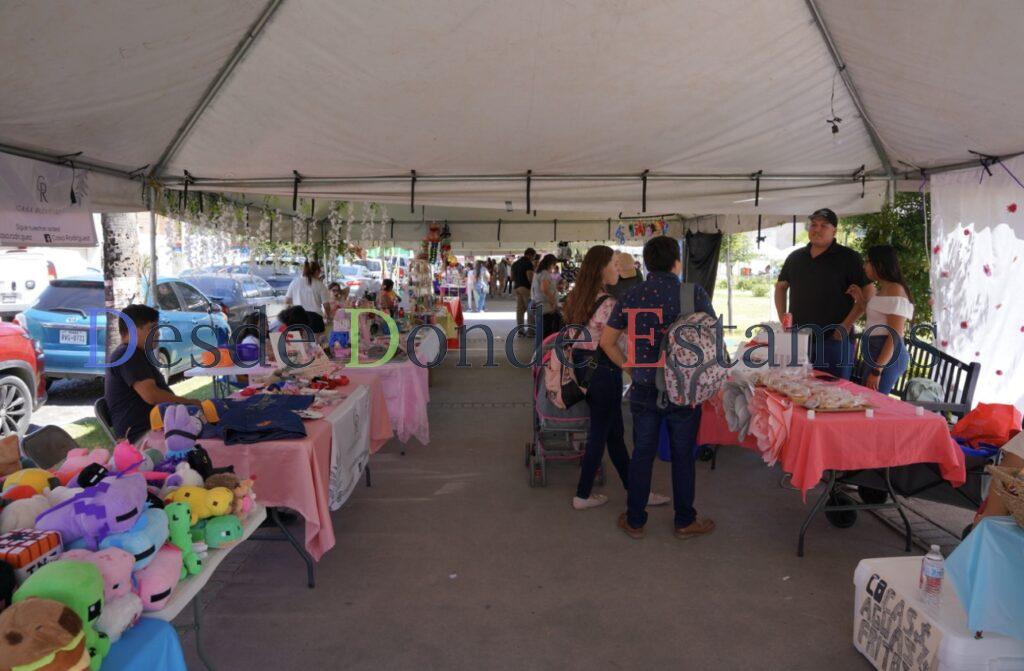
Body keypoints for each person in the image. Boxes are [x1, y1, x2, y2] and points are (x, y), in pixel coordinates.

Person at [600, 236, 717, 541]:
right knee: (682, 455)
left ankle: (636, 520)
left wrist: (630, 367)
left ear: (646, 264)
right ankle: (684, 521)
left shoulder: (632, 295)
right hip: (686, 389)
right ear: (677, 262)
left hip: (644, 387)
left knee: (642, 453)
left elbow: (607, 342)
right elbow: (711, 340)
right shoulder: (695, 293)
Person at [563, 245, 669, 511]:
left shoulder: (577, 297)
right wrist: (636, 367)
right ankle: (583, 494)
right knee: (601, 434)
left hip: (584, 370)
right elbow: (619, 341)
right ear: (600, 269)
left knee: (614, 435)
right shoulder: (608, 303)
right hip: (604, 371)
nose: (618, 268)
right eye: (613, 263)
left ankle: (636, 491)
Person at [774, 208, 873, 379]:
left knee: (834, 395)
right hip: (798, 339)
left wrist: (846, 325)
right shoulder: (795, 257)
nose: (817, 229)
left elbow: (869, 292)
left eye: (823, 225)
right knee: (795, 388)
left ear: (834, 230)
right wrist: (784, 319)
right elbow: (780, 287)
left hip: (834, 340)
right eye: (813, 225)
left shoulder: (849, 258)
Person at [104, 304, 203, 444]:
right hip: (143, 436)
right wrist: (188, 402)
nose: (158, 333)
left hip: (157, 427)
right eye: (152, 328)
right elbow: (152, 396)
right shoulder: (128, 354)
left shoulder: (135, 353)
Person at [848, 245, 914, 394]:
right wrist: (860, 298)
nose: (864, 266)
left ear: (880, 264)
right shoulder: (885, 288)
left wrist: (877, 370)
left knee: (873, 402)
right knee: (867, 400)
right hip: (876, 352)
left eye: (867, 262)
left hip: (886, 354)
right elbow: (878, 318)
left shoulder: (895, 290)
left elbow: (895, 334)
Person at [284, 260, 330, 337]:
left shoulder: (294, 282)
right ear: (316, 271)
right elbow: (326, 306)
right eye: (319, 272)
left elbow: (287, 301)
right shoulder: (320, 285)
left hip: (298, 319)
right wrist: (327, 316)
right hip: (315, 320)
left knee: (300, 347)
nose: (319, 275)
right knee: (316, 347)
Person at [531, 254, 562, 336]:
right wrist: (553, 302)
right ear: (551, 264)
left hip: (540, 305)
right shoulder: (545, 273)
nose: (554, 267)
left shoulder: (538, 272)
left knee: (541, 332)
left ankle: (540, 348)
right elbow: (544, 288)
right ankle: (544, 348)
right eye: (554, 264)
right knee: (546, 332)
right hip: (546, 307)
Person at [511, 248, 537, 330]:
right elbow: (530, 277)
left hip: (517, 288)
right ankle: (531, 331)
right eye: (533, 256)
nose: (533, 258)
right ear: (529, 255)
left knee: (520, 310)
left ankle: (520, 331)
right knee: (531, 310)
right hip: (526, 288)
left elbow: (511, 277)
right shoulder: (528, 263)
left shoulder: (515, 263)